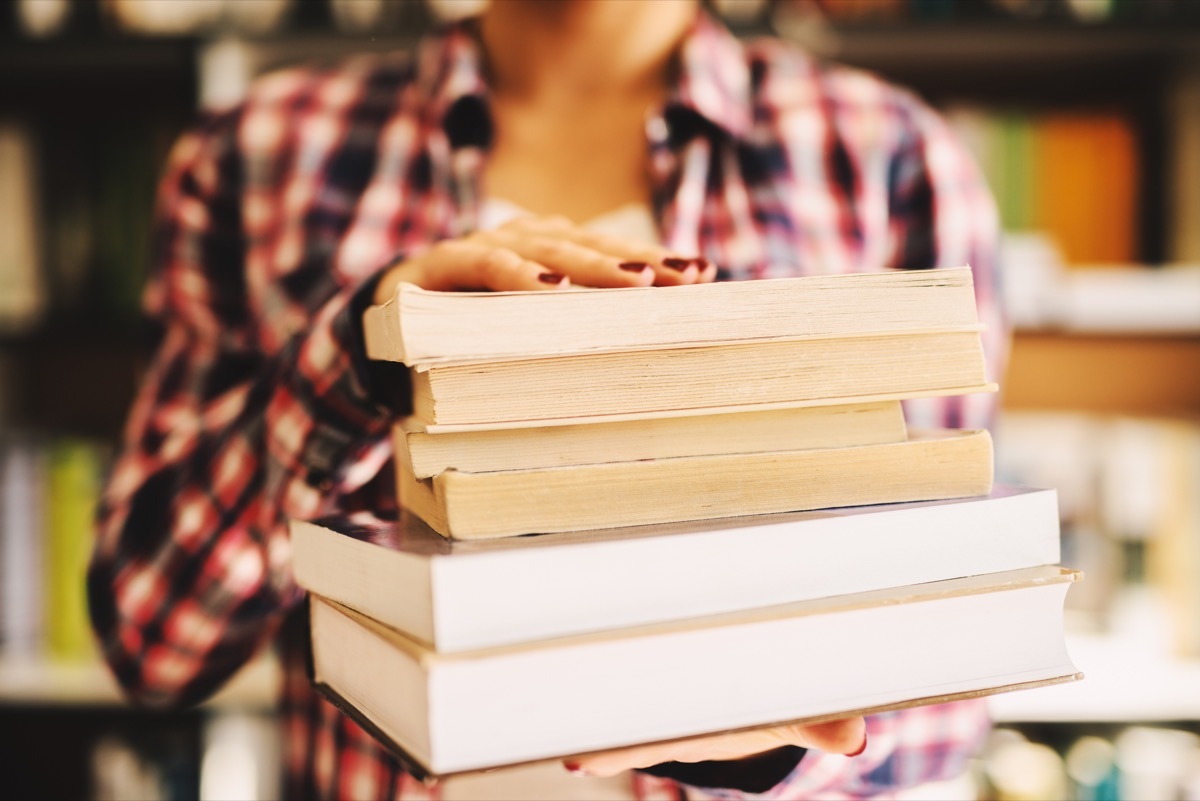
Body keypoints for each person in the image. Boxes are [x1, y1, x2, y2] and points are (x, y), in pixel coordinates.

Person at [87, 0, 1006, 798]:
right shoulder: (261, 150)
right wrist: (357, 355)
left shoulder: (890, 154)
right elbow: (152, 636)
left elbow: (961, 685)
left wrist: (771, 742)